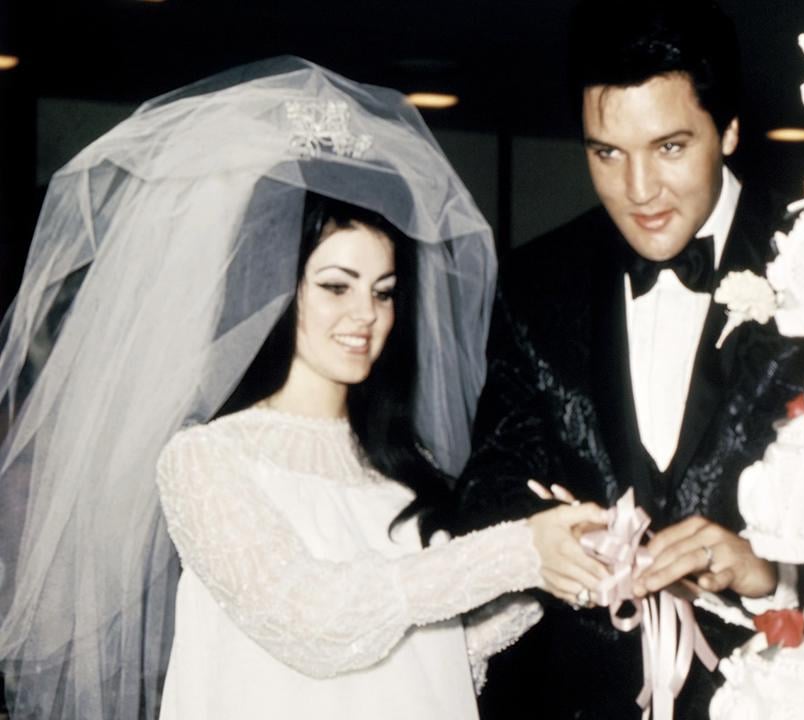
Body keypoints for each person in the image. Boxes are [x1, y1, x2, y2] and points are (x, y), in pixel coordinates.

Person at [0, 57, 606, 720]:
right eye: (336, 286)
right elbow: (315, 620)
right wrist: (516, 551)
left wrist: (551, 572)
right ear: (276, 291)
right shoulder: (206, 460)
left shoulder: (406, 466)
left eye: (384, 293)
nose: (365, 317)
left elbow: (433, 650)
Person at [455, 1, 804, 717]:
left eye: (671, 147)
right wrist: (538, 542)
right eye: (606, 153)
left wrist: (769, 571)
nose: (639, 191)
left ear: (731, 129)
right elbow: (486, 494)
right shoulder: (537, 282)